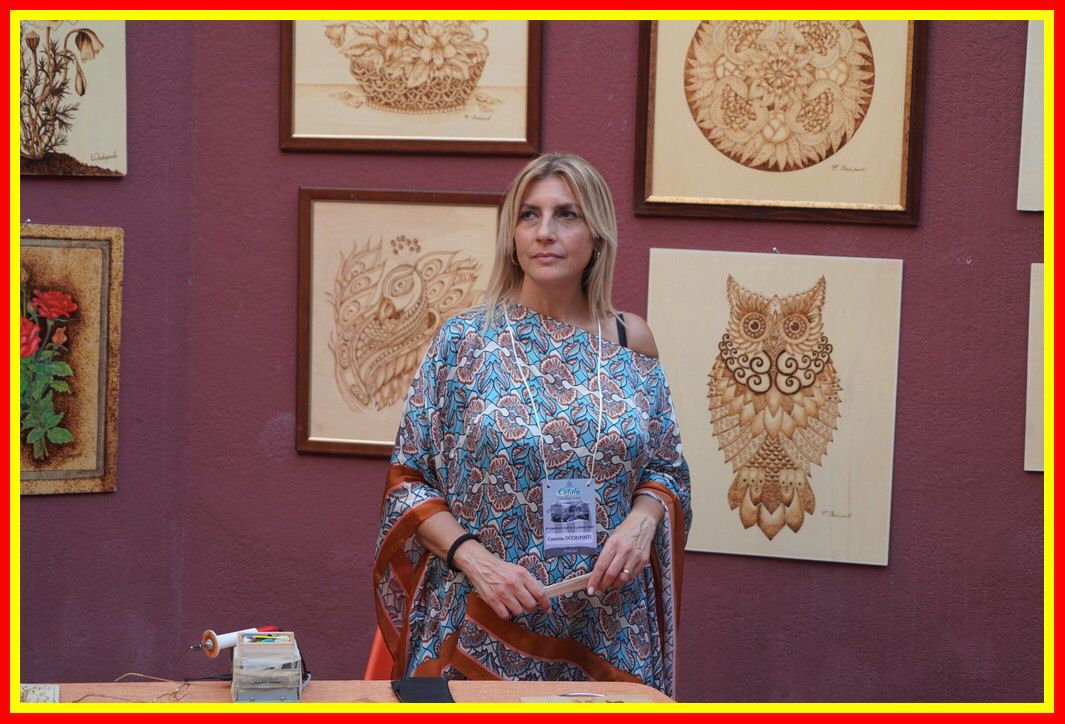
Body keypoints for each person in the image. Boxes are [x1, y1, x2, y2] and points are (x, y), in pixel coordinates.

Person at [373, 153, 692, 696]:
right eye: (529, 215)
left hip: (608, 626)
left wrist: (643, 521)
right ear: (512, 235)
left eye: (567, 214)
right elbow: (409, 484)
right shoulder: (465, 342)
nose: (545, 232)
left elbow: (666, 468)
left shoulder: (629, 340)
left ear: (597, 234)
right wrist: (477, 562)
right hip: (481, 617)